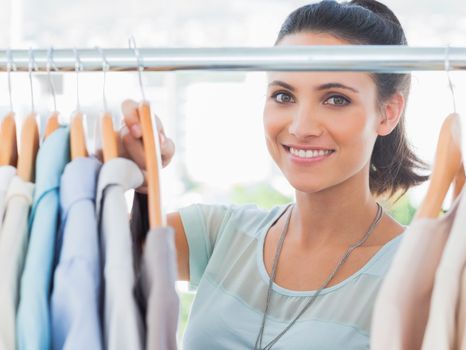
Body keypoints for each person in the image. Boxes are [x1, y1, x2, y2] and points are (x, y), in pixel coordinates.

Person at [120, 0, 427, 348]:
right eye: (283, 95)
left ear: (388, 113)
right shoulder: (223, 234)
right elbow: (98, 256)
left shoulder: (415, 272)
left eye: (336, 99)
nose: (301, 126)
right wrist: (136, 176)